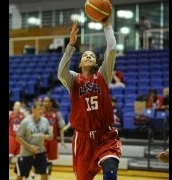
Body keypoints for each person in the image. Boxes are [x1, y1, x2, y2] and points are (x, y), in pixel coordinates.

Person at [57, 17, 122, 180]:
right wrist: (71, 46)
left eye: (91, 56)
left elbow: (112, 49)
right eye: (85, 55)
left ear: (96, 62)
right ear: (79, 63)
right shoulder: (73, 79)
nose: (88, 56)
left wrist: (107, 25)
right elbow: (61, 73)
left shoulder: (103, 75)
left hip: (105, 135)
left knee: (110, 169)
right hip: (83, 138)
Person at [14, 101, 53, 180]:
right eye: (39, 109)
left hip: (40, 152)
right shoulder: (25, 122)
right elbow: (18, 137)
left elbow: (51, 136)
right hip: (26, 153)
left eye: (42, 109)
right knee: (21, 175)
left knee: (44, 173)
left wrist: (47, 137)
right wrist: (29, 147)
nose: (41, 111)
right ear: (33, 110)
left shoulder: (45, 121)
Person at [43, 96, 67, 175]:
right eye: (44, 101)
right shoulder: (40, 113)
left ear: (51, 103)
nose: (44, 103)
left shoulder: (57, 114)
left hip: (52, 140)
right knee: (40, 158)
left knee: (50, 160)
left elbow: (61, 128)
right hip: (41, 140)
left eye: (46, 101)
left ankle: (47, 175)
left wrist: (62, 141)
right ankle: (37, 174)